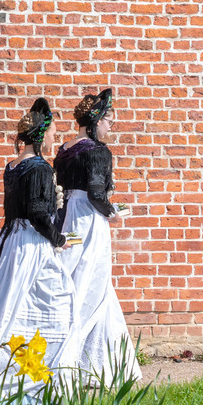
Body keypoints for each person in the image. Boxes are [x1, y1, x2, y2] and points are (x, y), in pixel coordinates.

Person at [0, 98, 80, 405]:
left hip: (10, 241)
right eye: (50, 132)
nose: (53, 138)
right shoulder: (38, 168)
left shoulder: (13, 166)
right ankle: (21, 384)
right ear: (40, 136)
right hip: (30, 247)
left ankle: (31, 378)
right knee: (52, 304)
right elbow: (36, 214)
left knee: (12, 308)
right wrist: (59, 239)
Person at [54, 89, 141, 385]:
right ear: (96, 121)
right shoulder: (98, 151)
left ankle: (74, 354)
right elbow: (95, 192)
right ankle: (83, 360)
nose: (110, 128)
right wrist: (112, 212)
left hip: (66, 215)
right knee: (93, 282)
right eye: (109, 122)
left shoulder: (64, 150)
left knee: (71, 278)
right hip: (89, 221)